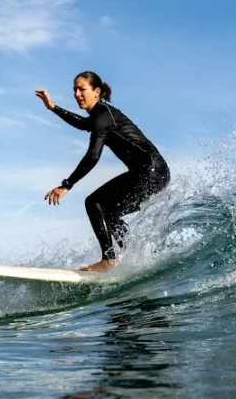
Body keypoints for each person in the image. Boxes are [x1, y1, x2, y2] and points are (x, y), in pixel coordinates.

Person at [35, 71, 170, 272]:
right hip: (157, 172)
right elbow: (82, 124)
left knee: (94, 202)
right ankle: (142, 257)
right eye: (75, 90)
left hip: (149, 171)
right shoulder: (101, 115)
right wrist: (53, 107)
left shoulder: (103, 116)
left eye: (82, 89)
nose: (77, 94)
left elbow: (93, 155)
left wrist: (67, 185)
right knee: (110, 213)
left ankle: (108, 260)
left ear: (96, 91)